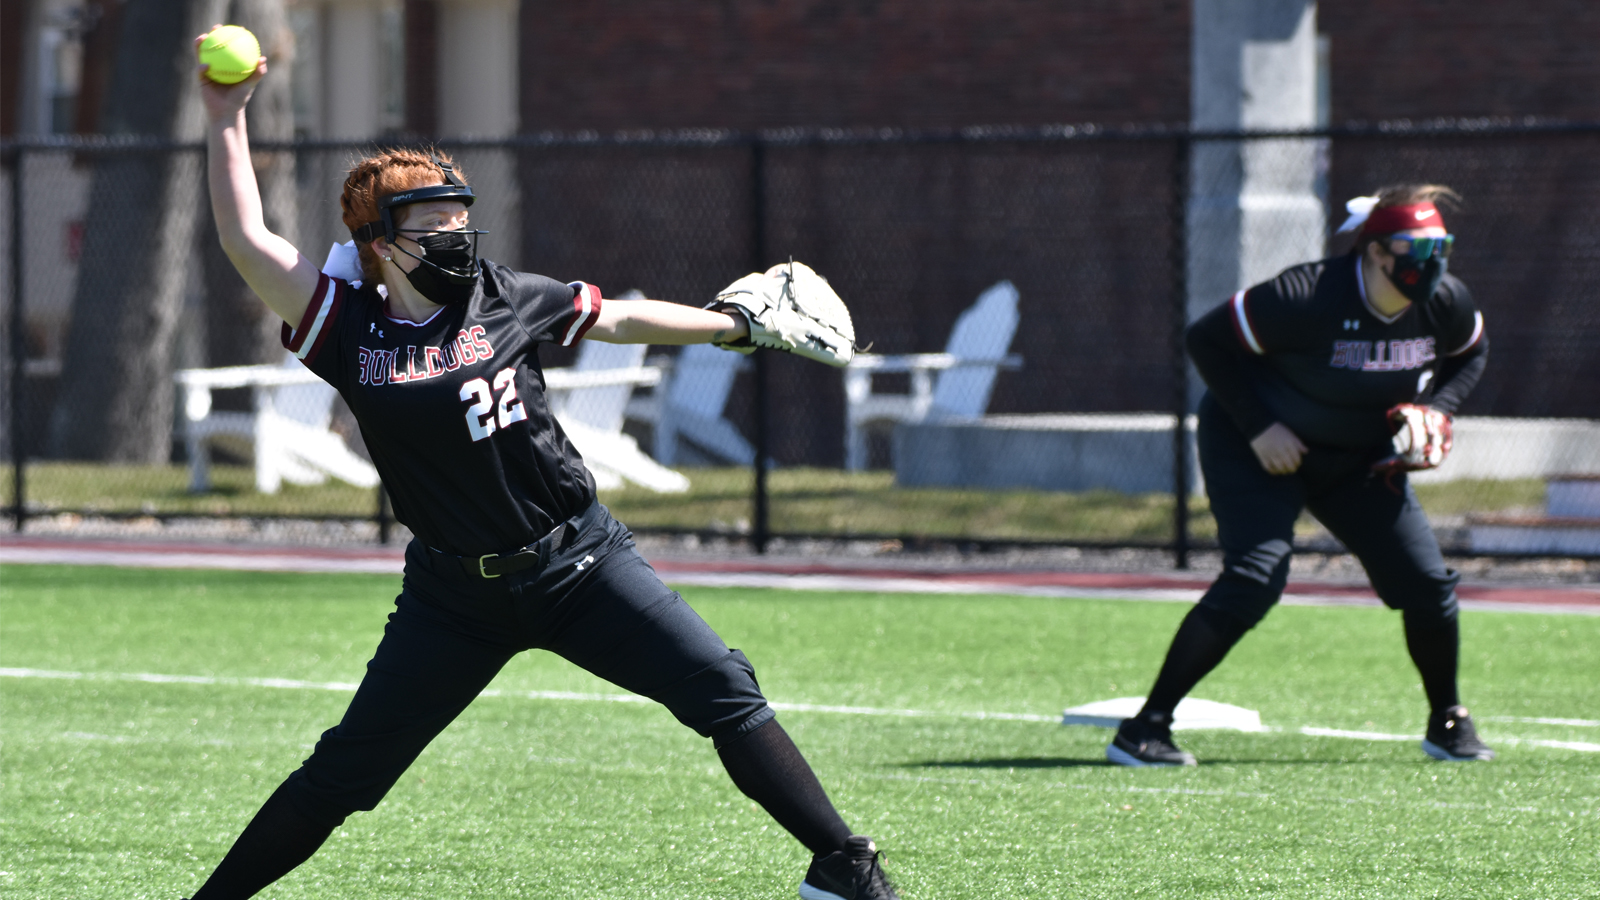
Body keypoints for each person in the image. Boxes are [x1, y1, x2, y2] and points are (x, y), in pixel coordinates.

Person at [187, 31, 898, 900]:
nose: (454, 229)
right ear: (377, 240)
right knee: (345, 776)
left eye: (458, 212)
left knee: (721, 685)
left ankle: (844, 867)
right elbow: (245, 237)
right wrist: (227, 116)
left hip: (579, 560)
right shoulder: (347, 324)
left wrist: (735, 325)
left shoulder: (503, 293)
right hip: (454, 599)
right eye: (430, 219)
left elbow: (622, 322)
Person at [1107, 184, 1495, 767]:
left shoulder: (1445, 301)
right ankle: (1144, 729)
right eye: (1413, 250)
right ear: (1375, 252)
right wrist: (1260, 425)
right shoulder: (1306, 294)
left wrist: (1438, 409)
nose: (1430, 262)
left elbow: (1472, 353)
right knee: (1255, 578)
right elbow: (1206, 340)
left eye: (1440, 247)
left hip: (1361, 457)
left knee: (1428, 585)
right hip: (1259, 448)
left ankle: (1446, 720)